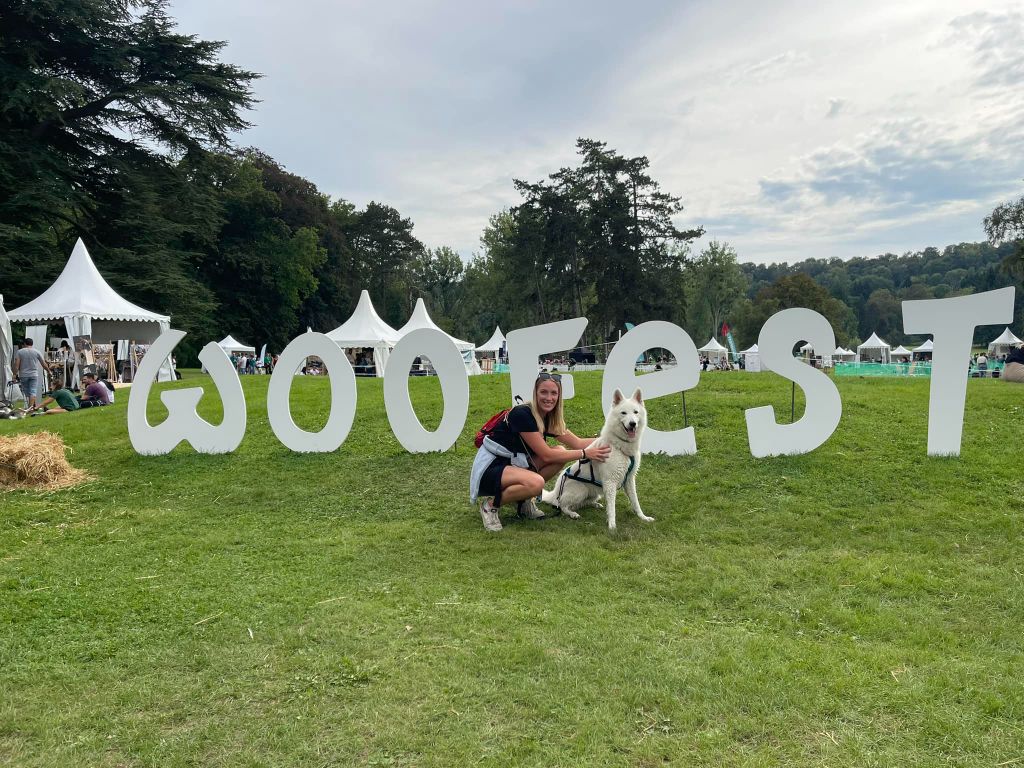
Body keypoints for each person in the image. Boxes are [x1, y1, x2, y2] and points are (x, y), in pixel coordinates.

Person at [470, 372, 611, 532]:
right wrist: (585, 454)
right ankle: (490, 506)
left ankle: (523, 501)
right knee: (536, 483)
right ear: (535, 393)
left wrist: (613, 439)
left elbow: (577, 443)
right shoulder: (522, 414)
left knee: (560, 452)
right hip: (491, 468)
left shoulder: (548, 417)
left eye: (554, 393)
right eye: (544, 392)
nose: (549, 398)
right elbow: (547, 455)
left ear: (559, 396)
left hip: (514, 465)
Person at [13, 338, 47, 409]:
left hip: (23, 375)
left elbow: (16, 365)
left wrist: (14, 375)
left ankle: (29, 407)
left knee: (26, 392)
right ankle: (31, 407)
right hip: (34, 374)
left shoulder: (19, 352)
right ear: (32, 344)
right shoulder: (37, 352)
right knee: (33, 391)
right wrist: (49, 371)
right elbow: (43, 364)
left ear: (24, 343)